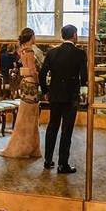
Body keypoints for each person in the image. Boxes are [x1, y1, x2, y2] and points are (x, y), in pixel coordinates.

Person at [39, 24, 87, 174]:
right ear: (74, 35)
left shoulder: (52, 53)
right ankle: (62, 164)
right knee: (67, 130)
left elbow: (42, 74)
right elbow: (84, 77)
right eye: (77, 34)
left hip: (55, 95)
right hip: (71, 96)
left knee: (52, 127)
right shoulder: (80, 53)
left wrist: (46, 90)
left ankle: (47, 160)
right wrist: (82, 90)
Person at [0, 28, 42, 159]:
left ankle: (27, 145)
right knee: (30, 117)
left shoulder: (21, 50)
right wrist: (39, 81)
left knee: (24, 115)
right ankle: (27, 146)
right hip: (31, 84)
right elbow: (32, 70)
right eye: (34, 35)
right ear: (31, 37)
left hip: (24, 83)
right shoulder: (30, 51)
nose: (35, 37)